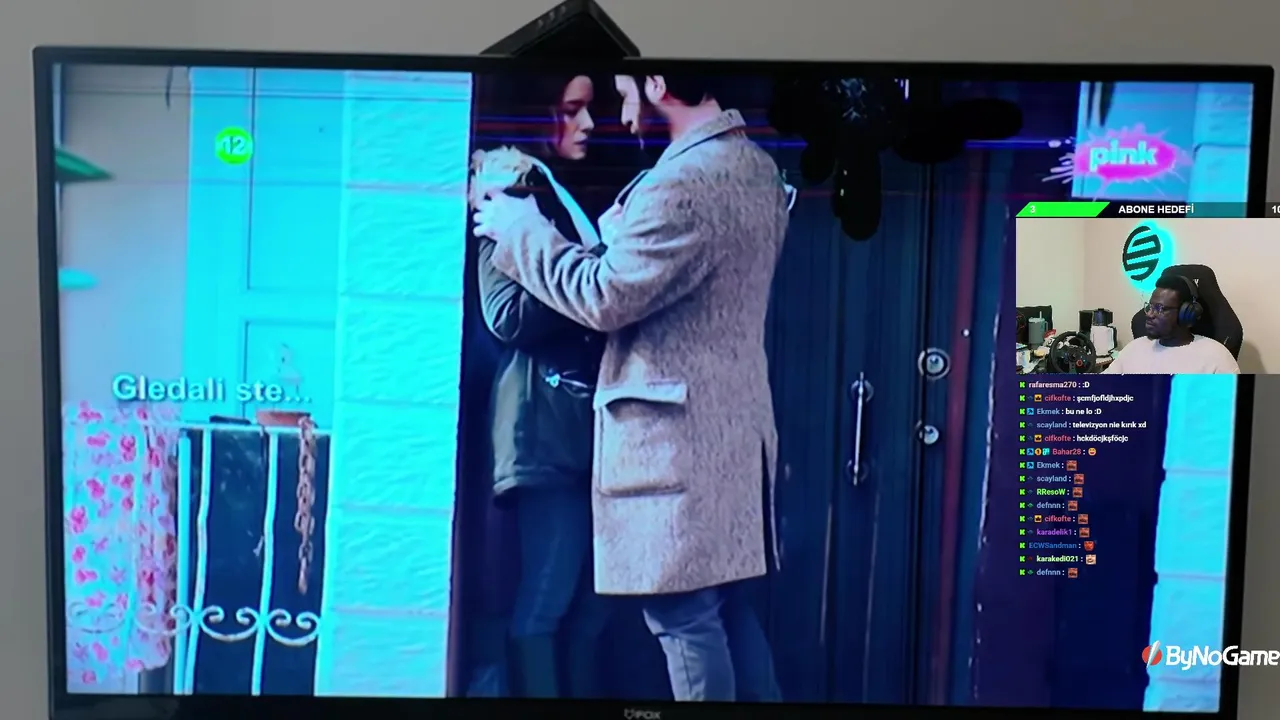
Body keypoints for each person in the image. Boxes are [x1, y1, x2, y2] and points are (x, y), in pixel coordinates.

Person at [474, 74, 786, 703]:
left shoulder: (680, 183)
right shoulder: (754, 167)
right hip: (733, 434)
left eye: (623, 92)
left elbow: (605, 296)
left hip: (677, 445)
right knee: (727, 611)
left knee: (685, 619)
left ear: (660, 84)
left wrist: (522, 230)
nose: (618, 111)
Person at [470, 73, 611, 699]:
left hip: (581, 427)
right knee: (547, 602)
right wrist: (595, 275)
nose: (589, 125)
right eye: (572, 110)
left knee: (591, 609)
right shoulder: (512, 184)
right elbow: (505, 315)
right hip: (544, 426)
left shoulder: (555, 189)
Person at [1105, 274, 1239, 374]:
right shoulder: (1133, 349)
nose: (1149, 314)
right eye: (1150, 307)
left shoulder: (1216, 357)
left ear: (1185, 313)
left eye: (1159, 308)